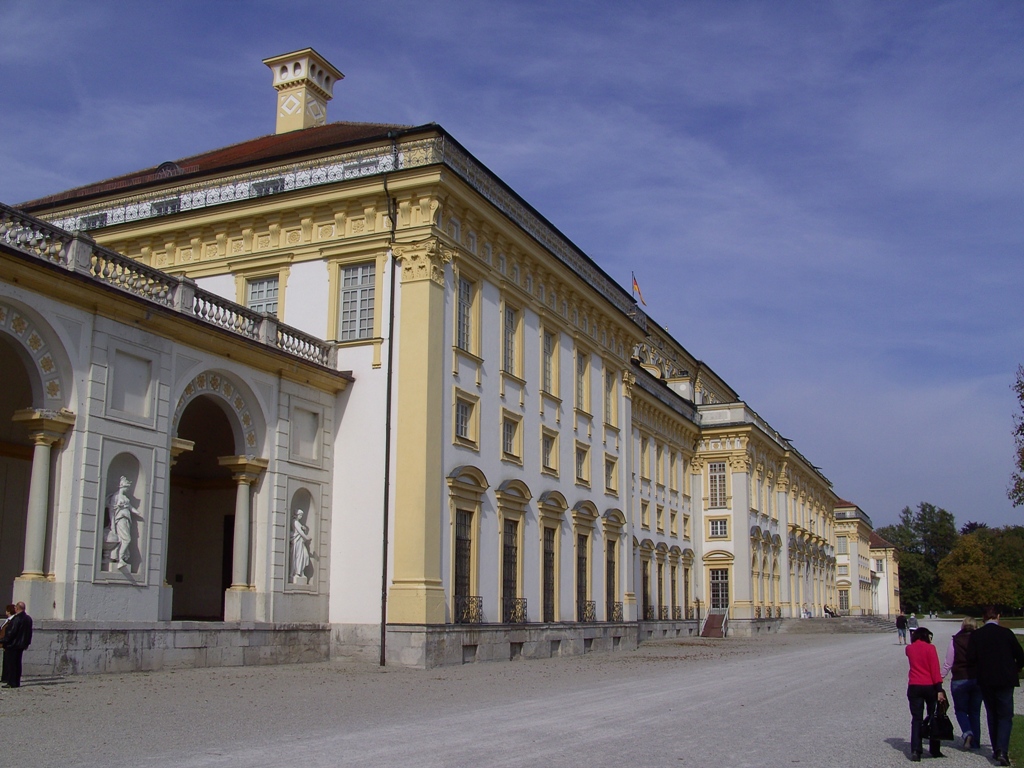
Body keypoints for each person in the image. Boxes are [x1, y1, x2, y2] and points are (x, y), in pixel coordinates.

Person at [967, 606, 1024, 766]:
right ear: (998, 616)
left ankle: (996, 748)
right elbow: (1020, 655)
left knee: (992, 714)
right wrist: (1017, 667)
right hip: (1006, 679)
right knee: (1005, 715)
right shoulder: (1006, 633)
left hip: (986, 679)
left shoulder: (977, 635)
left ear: (984, 618)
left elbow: (970, 658)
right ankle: (1002, 750)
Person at [906, 626, 947, 761]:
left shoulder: (909, 649)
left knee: (916, 719)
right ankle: (934, 749)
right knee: (933, 716)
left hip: (914, 685)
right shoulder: (930, 648)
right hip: (929, 686)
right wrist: (939, 688)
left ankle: (916, 750)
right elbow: (934, 669)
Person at [941, 616, 982, 750]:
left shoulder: (955, 641)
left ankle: (967, 733)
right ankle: (976, 742)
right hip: (977, 678)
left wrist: (940, 677)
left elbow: (948, 663)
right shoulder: (979, 640)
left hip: (959, 678)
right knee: (975, 711)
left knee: (960, 710)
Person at [0, 602, 33, 688]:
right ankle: (16, 681)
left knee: (12, 664)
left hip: (13, 645)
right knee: (17, 663)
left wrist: (3, 640)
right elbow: (29, 633)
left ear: (17, 608)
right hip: (21, 645)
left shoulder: (16, 619)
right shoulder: (28, 619)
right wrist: (27, 643)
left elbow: (11, 633)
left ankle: (12, 682)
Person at [291, 508, 313, 584]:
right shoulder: (295, 522)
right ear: (296, 515)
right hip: (297, 542)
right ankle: (297, 573)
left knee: (305, 556)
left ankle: (301, 572)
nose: (301, 516)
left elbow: (302, 531)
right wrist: (306, 538)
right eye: (300, 515)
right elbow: (300, 532)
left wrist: (305, 529)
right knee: (298, 557)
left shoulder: (298, 523)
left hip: (301, 542)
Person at [0, 605, 14, 685]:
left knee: (8, 661)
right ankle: (4, 677)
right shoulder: (7, 620)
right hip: (3, 642)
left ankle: (7, 677)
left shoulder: (11, 621)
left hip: (5, 642)